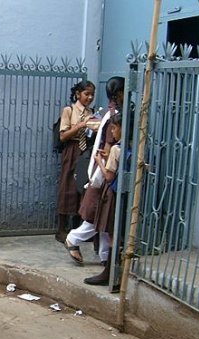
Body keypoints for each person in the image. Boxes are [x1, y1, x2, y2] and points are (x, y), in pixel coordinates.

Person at [65, 77, 125, 267]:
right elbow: (107, 148)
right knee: (100, 215)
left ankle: (106, 256)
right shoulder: (115, 116)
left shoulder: (110, 113)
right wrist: (105, 169)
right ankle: (74, 239)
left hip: (103, 172)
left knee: (105, 219)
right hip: (105, 173)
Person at [83, 112, 127, 287]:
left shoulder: (117, 148)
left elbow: (108, 176)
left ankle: (110, 273)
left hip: (112, 195)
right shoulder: (132, 147)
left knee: (111, 234)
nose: (113, 132)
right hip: (124, 195)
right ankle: (112, 272)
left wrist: (100, 160)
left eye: (115, 128)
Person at [55, 80, 97, 243]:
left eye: (92, 94)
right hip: (71, 150)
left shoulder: (92, 112)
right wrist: (81, 125)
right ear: (78, 94)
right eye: (87, 94)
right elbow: (63, 135)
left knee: (83, 186)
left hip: (85, 151)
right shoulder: (69, 110)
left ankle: (78, 227)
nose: (90, 97)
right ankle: (61, 228)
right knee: (67, 185)